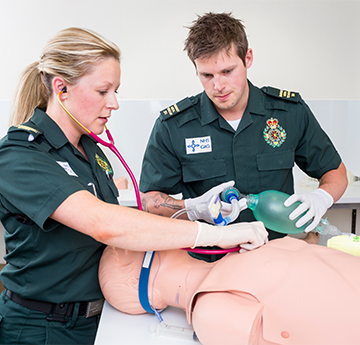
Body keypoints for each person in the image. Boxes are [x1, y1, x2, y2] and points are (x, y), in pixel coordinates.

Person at [0, 27, 268, 345]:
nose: (114, 103)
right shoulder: (19, 155)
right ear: (61, 89)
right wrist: (221, 235)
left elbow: (125, 226)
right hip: (43, 326)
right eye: (103, 91)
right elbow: (105, 224)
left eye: (116, 90)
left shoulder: (90, 150)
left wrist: (193, 210)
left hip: (99, 316)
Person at [139, 12, 348, 261]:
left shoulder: (289, 112)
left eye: (227, 71)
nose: (218, 86)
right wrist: (194, 209)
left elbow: (336, 172)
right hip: (207, 264)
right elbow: (149, 201)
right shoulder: (174, 126)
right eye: (207, 75)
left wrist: (321, 197)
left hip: (276, 257)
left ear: (247, 58)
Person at [99, 237, 360, 345]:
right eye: (144, 248)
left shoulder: (246, 247)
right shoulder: (210, 312)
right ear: (142, 288)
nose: (160, 240)